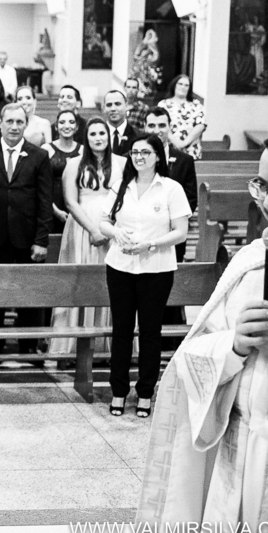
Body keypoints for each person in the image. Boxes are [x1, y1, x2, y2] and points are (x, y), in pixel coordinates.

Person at [137, 121, 268, 527]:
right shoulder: (252, 260)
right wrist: (233, 346)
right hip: (233, 461)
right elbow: (189, 360)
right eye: (263, 186)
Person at [98, 133, 190, 417]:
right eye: (135, 152)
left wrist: (150, 244)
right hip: (120, 267)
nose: (139, 157)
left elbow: (181, 232)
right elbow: (104, 222)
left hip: (156, 269)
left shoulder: (171, 188)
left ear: (157, 156)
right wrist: (116, 233)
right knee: (122, 330)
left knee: (150, 332)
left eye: (145, 152)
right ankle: (118, 391)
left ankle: (146, 393)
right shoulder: (121, 185)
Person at [0, 103, 54, 356]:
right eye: (10, 122)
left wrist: (42, 240)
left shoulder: (39, 156)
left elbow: (44, 201)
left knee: (30, 292)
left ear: (26, 124)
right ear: (0, 123)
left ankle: (29, 345)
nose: (14, 127)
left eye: (19, 122)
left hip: (28, 235)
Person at [51, 118, 124, 355]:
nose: (98, 138)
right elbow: (70, 201)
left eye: (102, 133)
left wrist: (112, 228)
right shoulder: (74, 164)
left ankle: (109, 347)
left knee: (112, 282)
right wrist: (93, 229)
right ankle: (72, 346)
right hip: (82, 227)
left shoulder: (122, 162)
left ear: (109, 136)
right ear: (86, 137)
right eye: (93, 134)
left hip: (114, 226)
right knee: (80, 282)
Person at [141, 107, 199, 261]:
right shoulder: (132, 158)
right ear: (144, 127)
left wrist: (167, 223)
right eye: (151, 126)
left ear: (170, 127)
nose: (157, 131)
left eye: (162, 125)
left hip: (173, 234)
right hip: (141, 232)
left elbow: (191, 199)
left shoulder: (185, 161)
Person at [42, 110, 82, 236]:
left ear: (77, 127)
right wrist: (55, 210)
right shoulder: (46, 150)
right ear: (56, 127)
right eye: (62, 122)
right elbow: (42, 185)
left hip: (78, 209)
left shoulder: (83, 151)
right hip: (51, 207)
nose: (67, 126)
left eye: (71, 122)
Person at [159, 73, 207, 159]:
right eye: (180, 84)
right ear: (174, 85)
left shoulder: (196, 105)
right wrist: (175, 142)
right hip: (168, 149)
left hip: (191, 151)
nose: (183, 87)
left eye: (186, 85)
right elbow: (160, 125)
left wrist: (184, 143)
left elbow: (200, 125)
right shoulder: (163, 104)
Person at [101, 89, 135, 156]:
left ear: (126, 106)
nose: (113, 109)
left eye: (118, 104)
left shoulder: (137, 135)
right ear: (104, 108)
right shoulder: (96, 135)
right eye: (109, 105)